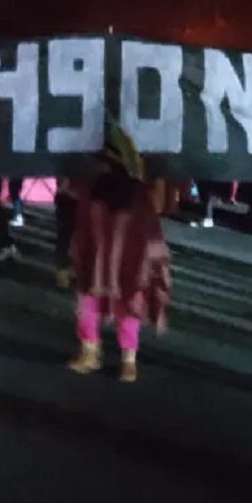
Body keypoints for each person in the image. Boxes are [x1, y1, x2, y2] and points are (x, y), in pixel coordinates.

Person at [68, 127, 172, 383]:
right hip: (132, 267)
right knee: (128, 309)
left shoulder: (94, 189)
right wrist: (153, 266)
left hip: (97, 264)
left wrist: (73, 258)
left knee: (89, 305)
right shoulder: (137, 194)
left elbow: (81, 228)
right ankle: (128, 363)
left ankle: (90, 353)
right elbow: (151, 233)